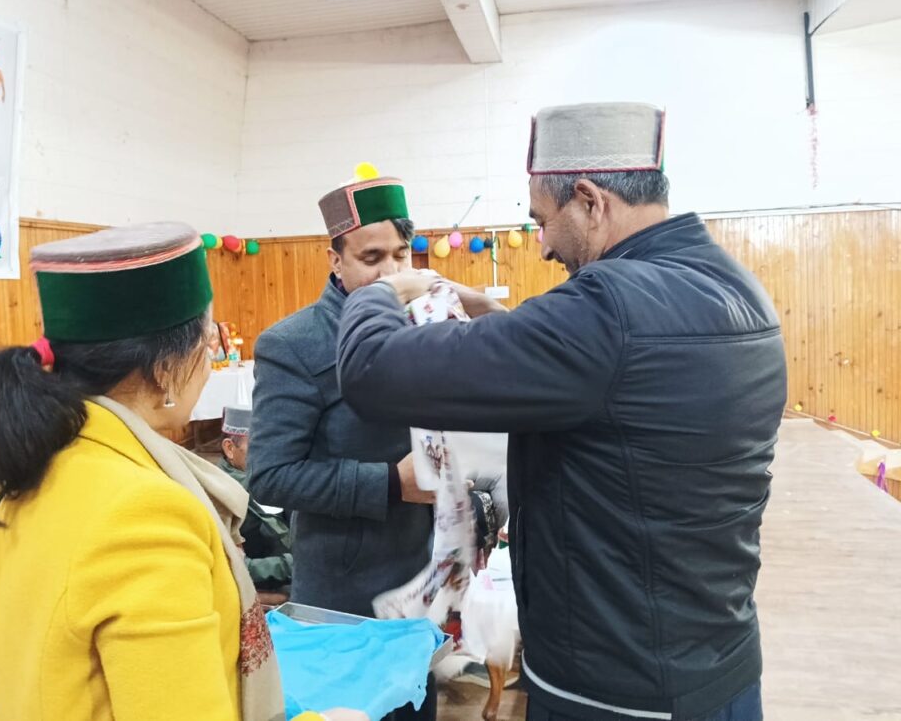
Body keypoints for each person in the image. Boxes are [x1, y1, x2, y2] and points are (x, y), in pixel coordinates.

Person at [336, 103, 787, 721]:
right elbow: (611, 380)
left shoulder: (607, 307)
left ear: (590, 201)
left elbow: (370, 369)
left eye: (542, 221)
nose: (544, 245)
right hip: (718, 659)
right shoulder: (734, 285)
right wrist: (488, 310)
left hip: (615, 689)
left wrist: (385, 289)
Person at [0, 221, 365, 721]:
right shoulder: (144, 515)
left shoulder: (6, 474)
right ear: (166, 369)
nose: (211, 358)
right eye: (209, 342)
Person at [249, 165, 437, 720]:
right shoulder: (294, 344)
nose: (392, 272)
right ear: (335, 260)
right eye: (371, 258)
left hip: (420, 576)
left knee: (415, 707)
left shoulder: (425, 326)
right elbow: (270, 475)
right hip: (343, 590)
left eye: (401, 254)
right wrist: (390, 483)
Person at [217, 405, 294, 599]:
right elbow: (231, 566)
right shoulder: (222, 495)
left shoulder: (270, 477)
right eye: (257, 446)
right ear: (230, 448)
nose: (269, 454)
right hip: (270, 586)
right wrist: (293, 565)